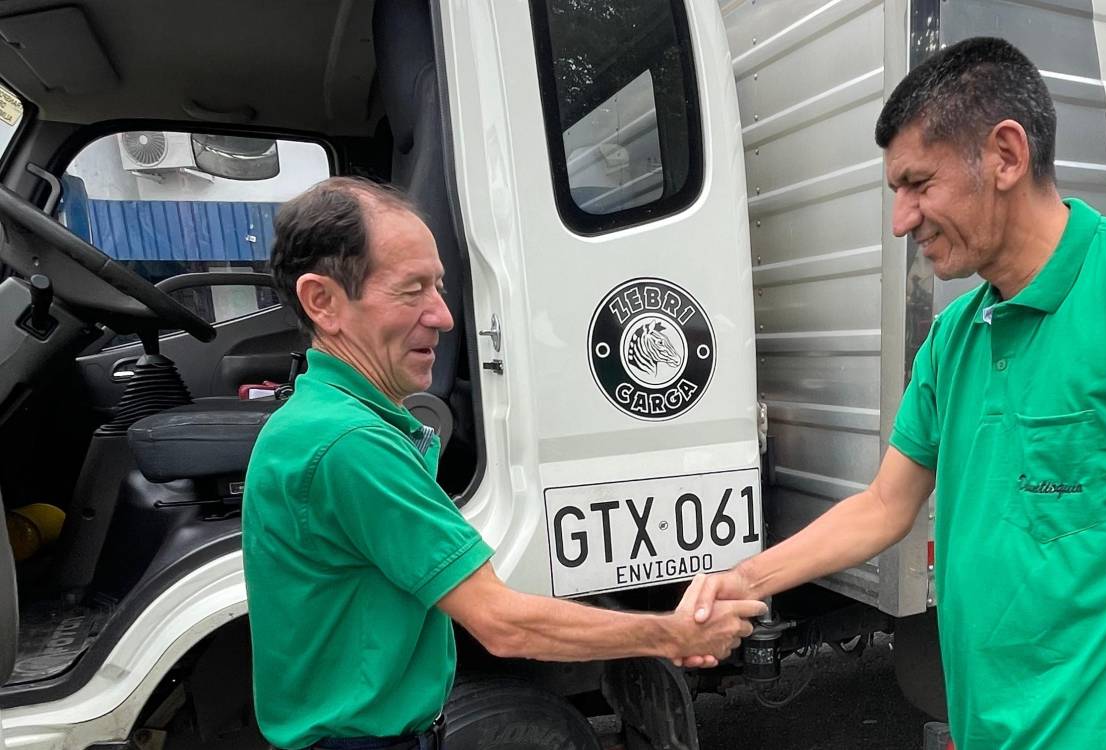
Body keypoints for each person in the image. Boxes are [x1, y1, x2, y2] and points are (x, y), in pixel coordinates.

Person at [685, 37, 1106, 749]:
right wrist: (743, 578)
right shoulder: (956, 336)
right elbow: (883, 507)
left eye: (918, 184)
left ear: (1005, 155)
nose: (902, 219)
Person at [243, 177, 765, 750]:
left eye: (438, 287)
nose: (442, 316)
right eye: (412, 289)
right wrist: (670, 634)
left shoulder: (318, 419)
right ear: (323, 301)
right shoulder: (349, 444)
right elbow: (503, 623)